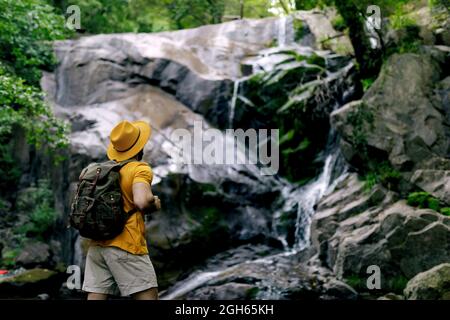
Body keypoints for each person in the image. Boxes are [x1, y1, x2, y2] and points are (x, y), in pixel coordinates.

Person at [82, 120, 161, 300]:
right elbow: (142, 201)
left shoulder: (99, 171)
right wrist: (154, 203)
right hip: (127, 246)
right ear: (140, 146)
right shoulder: (139, 168)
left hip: (97, 246)